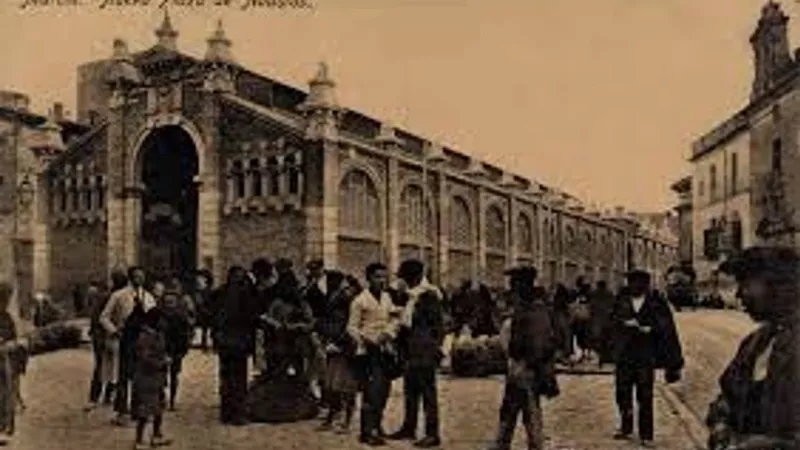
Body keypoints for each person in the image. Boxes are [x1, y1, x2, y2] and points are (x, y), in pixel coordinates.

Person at [706, 246, 799, 450]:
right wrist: (721, 425)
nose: (739, 294)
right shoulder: (755, 342)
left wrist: (771, 446)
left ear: (777, 285)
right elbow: (727, 396)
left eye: (746, 283)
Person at [487, 266, 558, 450]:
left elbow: (540, 343)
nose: (511, 288)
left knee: (530, 410)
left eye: (514, 283)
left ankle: (534, 445)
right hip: (518, 367)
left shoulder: (535, 309)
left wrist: (526, 364)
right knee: (510, 408)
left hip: (528, 369)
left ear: (523, 285)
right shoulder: (525, 307)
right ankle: (502, 444)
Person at [610, 270, 683, 448]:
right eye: (632, 282)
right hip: (624, 355)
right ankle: (626, 426)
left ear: (645, 285)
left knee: (645, 395)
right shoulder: (621, 301)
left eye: (639, 283)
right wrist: (623, 324)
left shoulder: (656, 303)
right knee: (622, 392)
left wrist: (650, 329)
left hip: (646, 355)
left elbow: (667, 329)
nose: (635, 286)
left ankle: (646, 434)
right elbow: (611, 322)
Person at [388, 259, 445, 448]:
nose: (403, 281)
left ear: (415, 278)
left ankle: (432, 433)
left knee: (428, 393)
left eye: (405, 278)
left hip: (424, 351)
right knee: (410, 391)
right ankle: (409, 427)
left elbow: (437, 326)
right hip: (410, 351)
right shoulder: (410, 296)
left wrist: (436, 349)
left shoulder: (429, 296)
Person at [348, 263, 400, 446]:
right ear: (368, 278)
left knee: (384, 390)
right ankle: (367, 430)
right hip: (367, 352)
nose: (381, 281)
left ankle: (377, 425)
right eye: (377, 277)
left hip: (385, 348)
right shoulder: (359, 300)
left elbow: (394, 319)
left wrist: (388, 333)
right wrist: (367, 339)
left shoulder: (387, 298)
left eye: (384, 277)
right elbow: (352, 327)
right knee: (371, 391)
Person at [100, 266, 157, 426]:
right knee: (123, 377)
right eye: (136, 276)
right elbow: (104, 317)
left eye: (142, 276)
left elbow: (154, 318)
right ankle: (122, 412)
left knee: (141, 376)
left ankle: (138, 409)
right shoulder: (119, 296)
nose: (140, 279)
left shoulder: (148, 297)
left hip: (143, 341)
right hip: (125, 340)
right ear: (131, 278)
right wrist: (114, 331)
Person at [211, 266, 257, 425]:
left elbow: (211, 316)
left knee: (228, 378)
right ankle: (235, 413)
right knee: (237, 379)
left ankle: (228, 412)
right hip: (237, 342)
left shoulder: (220, 293)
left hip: (229, 342)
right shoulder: (245, 294)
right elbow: (252, 319)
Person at [316, 271, 359, 433]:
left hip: (346, 349)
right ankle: (332, 418)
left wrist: (339, 343)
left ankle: (347, 421)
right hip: (334, 347)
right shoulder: (336, 300)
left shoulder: (351, 304)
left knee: (347, 387)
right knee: (332, 385)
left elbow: (351, 327)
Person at [132, 307, 172, 449]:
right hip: (146, 378)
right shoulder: (145, 336)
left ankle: (156, 435)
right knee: (145, 410)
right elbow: (145, 358)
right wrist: (162, 362)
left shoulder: (158, 334)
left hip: (157, 378)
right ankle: (139, 440)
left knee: (159, 407)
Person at [159, 276, 195, 411]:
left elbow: (185, 335)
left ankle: (172, 400)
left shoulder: (181, 318)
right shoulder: (159, 316)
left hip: (176, 350)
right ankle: (162, 397)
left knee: (174, 375)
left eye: (172, 302)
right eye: (167, 302)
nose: (170, 305)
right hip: (162, 349)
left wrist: (183, 350)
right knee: (161, 375)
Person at [85, 277, 118, 412]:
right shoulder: (109, 298)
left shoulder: (107, 298)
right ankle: (101, 396)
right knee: (106, 367)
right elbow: (97, 318)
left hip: (105, 336)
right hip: (105, 337)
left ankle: (100, 397)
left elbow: (95, 318)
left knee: (105, 367)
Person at [0, 283, 21, 446]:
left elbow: (13, 338)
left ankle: (3, 428)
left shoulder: (6, 317)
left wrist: (12, 344)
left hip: (4, 360)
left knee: (6, 394)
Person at [590, 280, 616, 366]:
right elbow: (613, 305)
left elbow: (592, 305)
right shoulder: (609, 294)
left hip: (598, 320)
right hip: (605, 320)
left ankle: (602, 357)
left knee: (598, 338)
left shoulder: (594, 294)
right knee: (604, 339)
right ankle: (604, 357)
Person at [191, 270, 214, 352]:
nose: (197, 279)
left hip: (206, 328)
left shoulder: (211, 293)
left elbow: (211, 311)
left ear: (205, 279)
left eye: (199, 277)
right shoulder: (195, 293)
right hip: (196, 329)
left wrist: (200, 306)